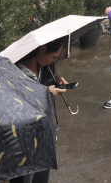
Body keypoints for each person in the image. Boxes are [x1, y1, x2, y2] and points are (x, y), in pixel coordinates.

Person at [11, 36, 69, 183]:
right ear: (43, 49)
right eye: (54, 57)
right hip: (25, 138)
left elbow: (45, 83)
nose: (54, 60)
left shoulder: (46, 67)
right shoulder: (15, 73)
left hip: (46, 132)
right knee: (26, 176)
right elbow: (16, 107)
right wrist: (46, 94)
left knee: (42, 174)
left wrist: (56, 81)